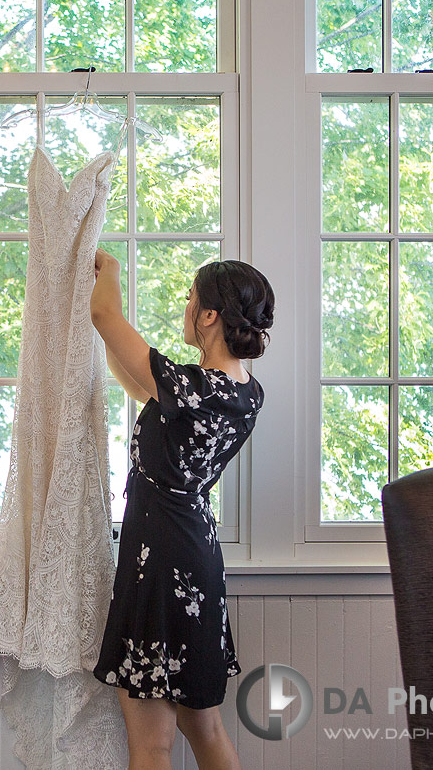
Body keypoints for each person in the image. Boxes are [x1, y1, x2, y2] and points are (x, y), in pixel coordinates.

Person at [89, 250, 274, 770]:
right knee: (205, 726)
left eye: (191, 298)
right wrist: (114, 348)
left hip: (160, 560)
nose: (186, 306)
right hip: (196, 557)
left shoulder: (192, 388)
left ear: (210, 315)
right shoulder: (244, 393)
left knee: (152, 745)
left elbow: (105, 315)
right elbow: (139, 385)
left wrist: (110, 271)